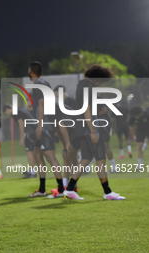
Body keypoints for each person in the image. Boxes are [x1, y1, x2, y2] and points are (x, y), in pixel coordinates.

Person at [64, 65, 125, 200]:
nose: (102, 83)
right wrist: (93, 131)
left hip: (81, 128)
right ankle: (108, 192)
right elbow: (87, 109)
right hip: (89, 128)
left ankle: (69, 189)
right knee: (101, 159)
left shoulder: (82, 84)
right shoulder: (89, 88)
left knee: (85, 159)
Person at [28, 62, 67, 198]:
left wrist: (40, 125)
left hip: (45, 126)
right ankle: (42, 189)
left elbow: (42, 105)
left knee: (50, 156)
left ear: (31, 71)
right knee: (38, 156)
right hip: (43, 124)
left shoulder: (40, 84)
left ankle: (61, 190)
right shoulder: (40, 84)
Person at [3, 104, 37, 178]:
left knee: (29, 151)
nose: (7, 114)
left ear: (7, 110)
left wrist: (22, 137)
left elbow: (21, 123)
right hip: (33, 130)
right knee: (31, 151)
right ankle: (32, 170)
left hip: (30, 132)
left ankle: (33, 172)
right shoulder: (20, 109)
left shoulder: (15, 113)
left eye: (6, 113)